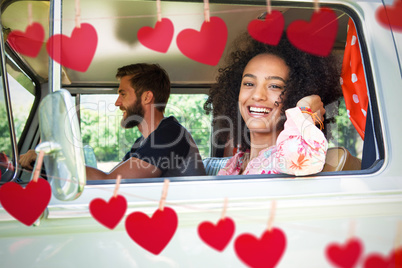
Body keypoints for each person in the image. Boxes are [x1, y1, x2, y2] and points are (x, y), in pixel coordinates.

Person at [20, 63, 206, 180]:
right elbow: (107, 179)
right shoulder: (142, 143)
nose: (117, 103)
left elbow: (110, 181)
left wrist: (55, 161)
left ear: (147, 97)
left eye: (123, 94)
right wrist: (47, 166)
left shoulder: (169, 135)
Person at [204, 33, 342, 176]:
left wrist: (305, 110)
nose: (257, 95)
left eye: (274, 86)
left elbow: (298, 159)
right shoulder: (237, 162)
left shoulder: (285, 159)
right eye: (249, 83)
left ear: (297, 94)